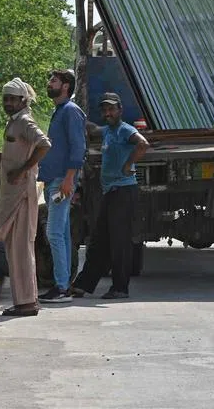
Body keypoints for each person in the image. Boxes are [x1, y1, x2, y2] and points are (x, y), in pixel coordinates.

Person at [71, 92, 149, 300]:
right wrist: (74, 112)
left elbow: (143, 144)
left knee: (119, 241)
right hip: (111, 192)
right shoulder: (108, 131)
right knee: (99, 240)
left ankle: (120, 287)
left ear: (120, 110)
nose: (108, 113)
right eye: (105, 110)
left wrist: (127, 164)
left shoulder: (125, 130)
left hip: (123, 192)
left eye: (112, 109)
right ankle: (83, 285)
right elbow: (93, 128)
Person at [0, 77, 52, 317]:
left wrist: (22, 170)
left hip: (22, 193)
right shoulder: (13, 123)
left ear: (23, 101)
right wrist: (1, 157)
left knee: (22, 248)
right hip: (12, 193)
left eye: (12, 99)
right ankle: (25, 299)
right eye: (5, 99)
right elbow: (20, 151)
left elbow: (44, 145)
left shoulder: (24, 121)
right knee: (16, 248)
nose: (8, 103)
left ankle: (26, 303)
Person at [38, 69, 87, 303]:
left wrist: (69, 178)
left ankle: (61, 287)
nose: (49, 83)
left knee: (54, 232)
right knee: (63, 233)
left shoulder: (70, 111)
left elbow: (78, 147)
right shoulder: (60, 111)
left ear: (66, 86)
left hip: (61, 181)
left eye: (54, 80)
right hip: (54, 179)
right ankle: (64, 283)